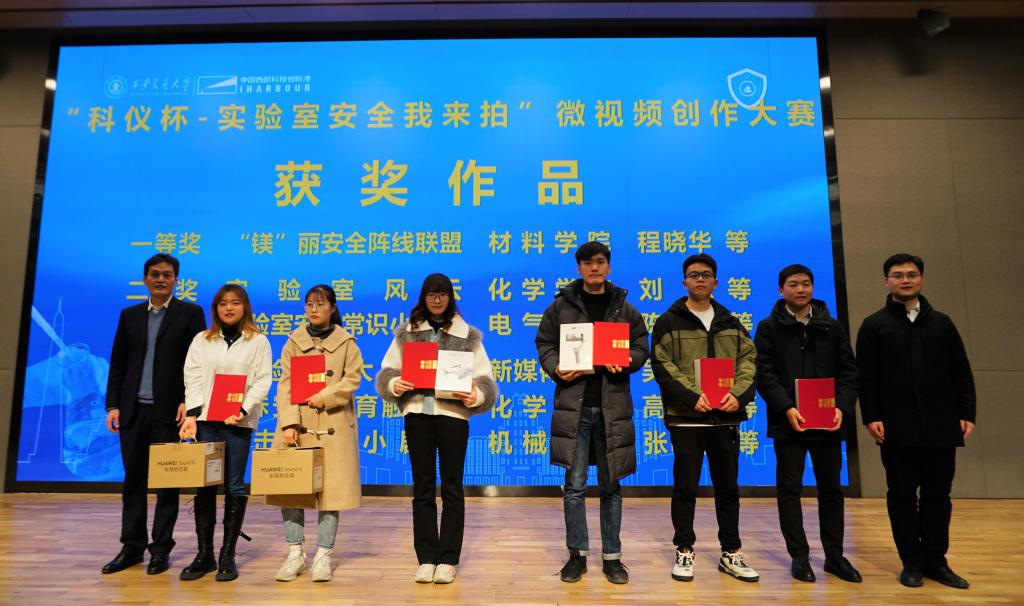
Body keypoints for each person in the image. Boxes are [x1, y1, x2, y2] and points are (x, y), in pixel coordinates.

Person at [856, 253, 976, 589]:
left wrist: (966, 413)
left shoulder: (942, 323)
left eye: (911, 274)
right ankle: (911, 562)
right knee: (902, 495)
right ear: (887, 282)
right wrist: (871, 416)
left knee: (939, 496)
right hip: (896, 427)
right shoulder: (874, 325)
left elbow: (961, 370)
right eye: (897, 275)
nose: (905, 280)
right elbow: (866, 377)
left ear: (921, 279)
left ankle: (936, 561)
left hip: (941, 424)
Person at [534, 241, 649, 585]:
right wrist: (556, 367)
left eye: (599, 262)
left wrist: (628, 360)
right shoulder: (561, 306)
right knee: (575, 486)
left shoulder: (624, 308)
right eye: (587, 263)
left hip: (612, 407)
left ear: (608, 266)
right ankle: (577, 555)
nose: (594, 268)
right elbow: (544, 344)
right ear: (579, 268)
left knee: (611, 486)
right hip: (575, 406)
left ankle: (612, 557)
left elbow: (641, 345)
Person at [375, 273, 498, 584]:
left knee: (453, 488)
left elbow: (485, 380)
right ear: (424, 297)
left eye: (442, 294)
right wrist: (394, 383)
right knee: (423, 488)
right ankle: (427, 557)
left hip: (453, 417)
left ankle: (448, 559)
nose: (437, 299)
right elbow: (387, 370)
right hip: (418, 415)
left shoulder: (467, 334)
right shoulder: (407, 332)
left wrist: (476, 395)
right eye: (431, 294)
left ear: (450, 297)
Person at [650, 253, 759, 583]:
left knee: (728, 488)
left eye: (706, 274)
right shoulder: (669, 321)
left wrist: (738, 395)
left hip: (725, 418)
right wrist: (692, 396)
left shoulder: (731, 322)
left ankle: (731, 551)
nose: (700, 279)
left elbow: (749, 362)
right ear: (684, 281)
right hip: (687, 418)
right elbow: (663, 365)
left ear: (716, 282)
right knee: (685, 487)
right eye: (694, 274)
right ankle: (684, 549)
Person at [754, 264, 862, 583]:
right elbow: (764, 374)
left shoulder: (831, 326)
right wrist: (786, 407)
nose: (800, 289)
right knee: (790, 489)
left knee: (831, 490)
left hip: (828, 422)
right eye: (793, 284)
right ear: (781, 290)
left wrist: (842, 407)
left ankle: (834, 556)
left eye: (805, 284)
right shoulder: (768, 327)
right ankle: (799, 556)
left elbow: (849, 371)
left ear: (813, 287)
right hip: (789, 422)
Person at [103, 253, 206, 575]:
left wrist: (189, 402)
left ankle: (160, 550)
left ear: (176, 280)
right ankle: (132, 548)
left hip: (170, 413)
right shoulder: (129, 315)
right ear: (145, 279)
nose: (161, 279)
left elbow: (198, 364)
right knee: (132, 483)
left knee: (167, 484)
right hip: (133, 412)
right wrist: (113, 405)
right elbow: (118, 362)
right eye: (155, 274)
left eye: (167, 274)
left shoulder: (190, 314)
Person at [269, 284, 364, 583]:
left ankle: (324, 554)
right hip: (298, 425)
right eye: (309, 303)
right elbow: (285, 385)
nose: (314, 309)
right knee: (291, 489)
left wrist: (327, 396)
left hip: (334, 424)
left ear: (333, 308)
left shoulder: (347, 343)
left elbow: (352, 380)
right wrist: (288, 423)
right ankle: (295, 553)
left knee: (331, 493)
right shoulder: (293, 342)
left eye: (320, 304)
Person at [178, 284, 272, 582]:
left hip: (237, 423)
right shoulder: (202, 340)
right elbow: (192, 376)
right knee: (205, 486)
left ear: (245, 307)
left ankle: (227, 555)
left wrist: (243, 409)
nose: (229, 308)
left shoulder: (258, 341)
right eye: (222, 303)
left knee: (234, 486)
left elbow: (262, 380)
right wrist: (192, 415)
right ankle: (204, 554)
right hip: (206, 421)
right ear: (215, 309)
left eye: (235, 302)